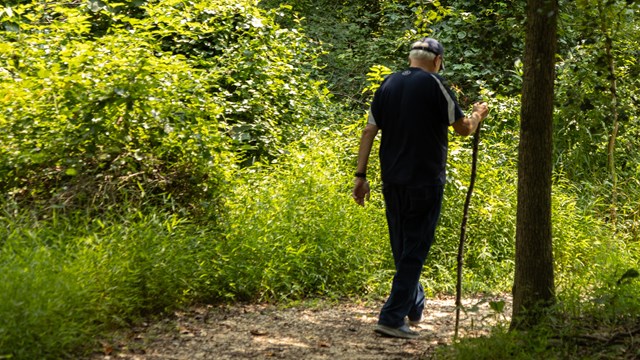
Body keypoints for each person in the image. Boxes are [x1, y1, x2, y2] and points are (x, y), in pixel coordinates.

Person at [352, 37, 489, 339]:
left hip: (393, 179)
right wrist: (479, 113)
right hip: (425, 180)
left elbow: (369, 130)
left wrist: (360, 175)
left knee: (403, 246)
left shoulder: (387, 85)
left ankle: (413, 305)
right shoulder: (434, 84)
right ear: (438, 60)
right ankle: (391, 317)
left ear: (411, 58)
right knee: (414, 248)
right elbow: (464, 128)